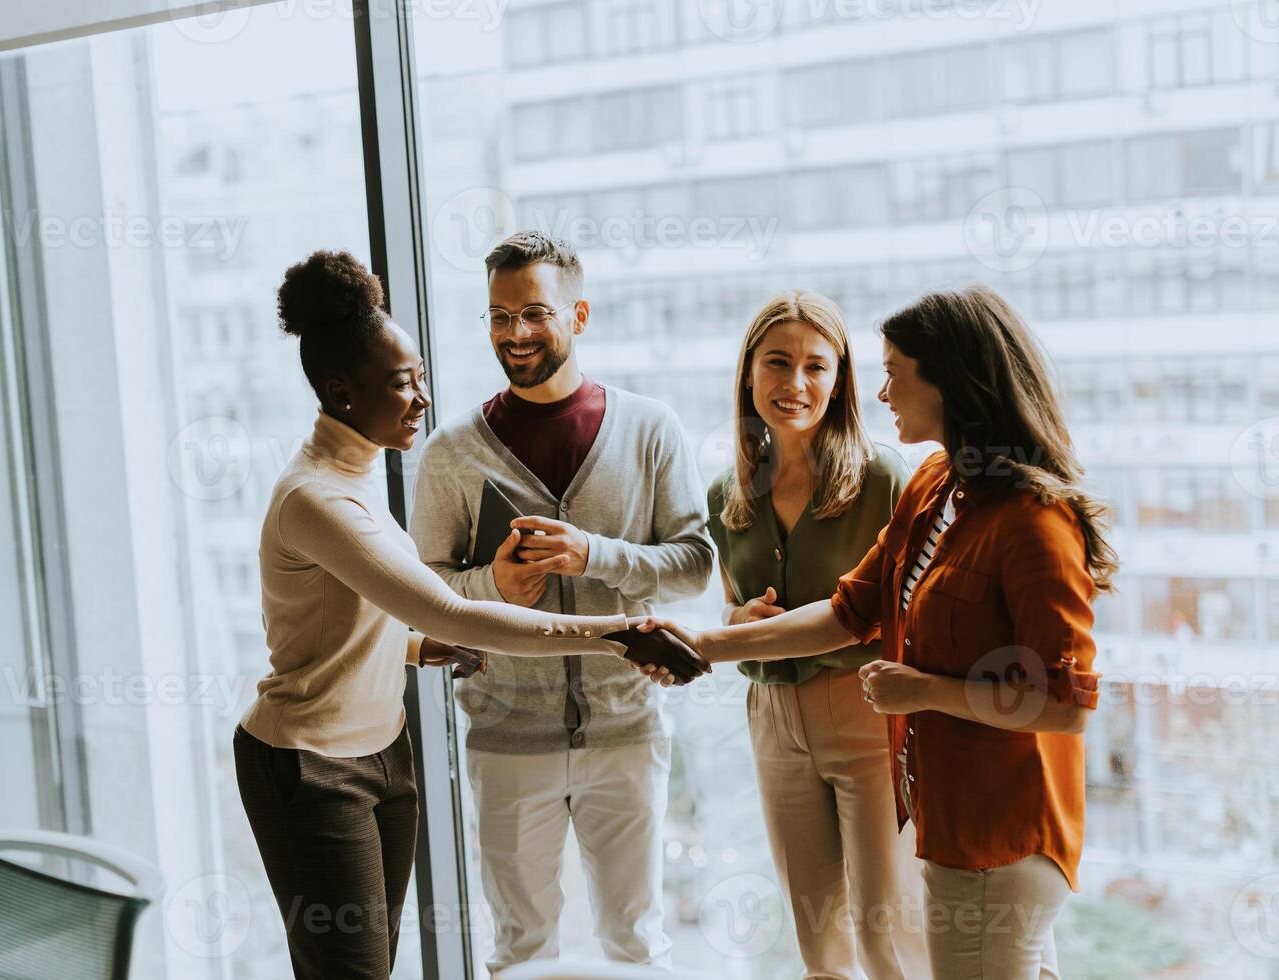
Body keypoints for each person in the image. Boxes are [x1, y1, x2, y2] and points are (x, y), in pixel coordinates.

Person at [233, 250, 704, 979]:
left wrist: (419, 651)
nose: (421, 396)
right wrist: (613, 633)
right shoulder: (321, 497)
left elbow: (362, 615)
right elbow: (450, 606)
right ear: (342, 392)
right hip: (313, 762)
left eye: (421, 376)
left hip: (383, 751)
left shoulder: (354, 475)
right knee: (352, 971)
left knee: (369, 967)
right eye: (401, 383)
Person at [634, 285, 1117, 979]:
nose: (882, 391)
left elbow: (1066, 707)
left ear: (949, 379)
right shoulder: (936, 486)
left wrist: (922, 689)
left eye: (894, 372)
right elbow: (847, 610)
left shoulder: (1034, 524)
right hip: (948, 814)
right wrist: (700, 643)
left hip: (1001, 833)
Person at [410, 231, 713, 973]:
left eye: (534, 313)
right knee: (520, 951)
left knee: (634, 944)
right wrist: (491, 587)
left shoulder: (650, 430)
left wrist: (593, 555)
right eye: (498, 316)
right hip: (506, 736)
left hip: (628, 730)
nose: (514, 333)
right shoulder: (451, 454)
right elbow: (421, 597)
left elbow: (696, 565)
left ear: (578, 316)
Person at [706, 290, 927, 978]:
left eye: (815, 367)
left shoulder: (885, 479)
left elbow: (917, 614)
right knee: (817, 943)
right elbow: (735, 611)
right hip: (772, 720)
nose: (794, 384)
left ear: (840, 381)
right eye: (777, 363)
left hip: (867, 716)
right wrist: (734, 624)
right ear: (748, 374)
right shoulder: (726, 497)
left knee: (888, 937)